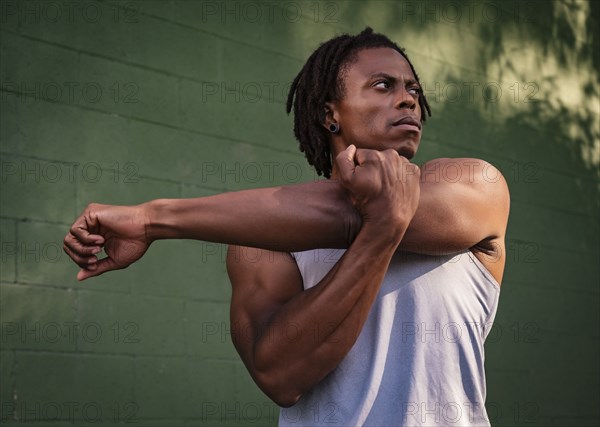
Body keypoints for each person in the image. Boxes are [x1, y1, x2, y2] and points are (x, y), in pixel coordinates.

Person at [64, 28, 509, 426]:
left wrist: (152, 219)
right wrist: (380, 233)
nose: (409, 98)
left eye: (413, 88)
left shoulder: (473, 185)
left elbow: (351, 211)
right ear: (328, 114)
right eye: (382, 85)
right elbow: (281, 377)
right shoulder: (260, 241)